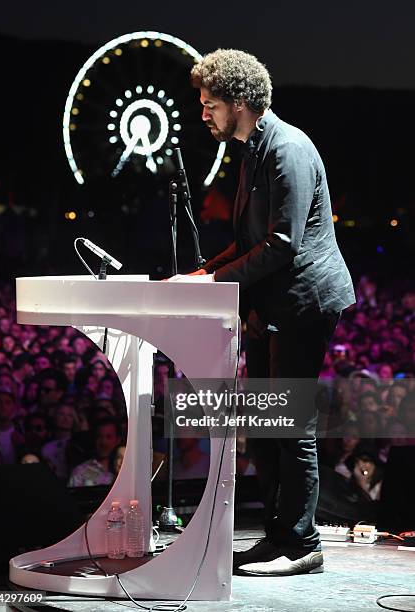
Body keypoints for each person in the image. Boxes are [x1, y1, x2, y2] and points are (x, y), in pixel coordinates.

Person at [189, 49, 356, 576]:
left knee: (291, 427)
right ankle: (276, 537)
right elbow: (248, 241)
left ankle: (303, 544)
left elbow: (283, 244)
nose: (204, 114)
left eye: (210, 104)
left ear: (240, 102)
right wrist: (197, 277)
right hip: (271, 304)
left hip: (304, 303)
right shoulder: (253, 151)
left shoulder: (288, 149)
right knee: (264, 426)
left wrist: (216, 280)